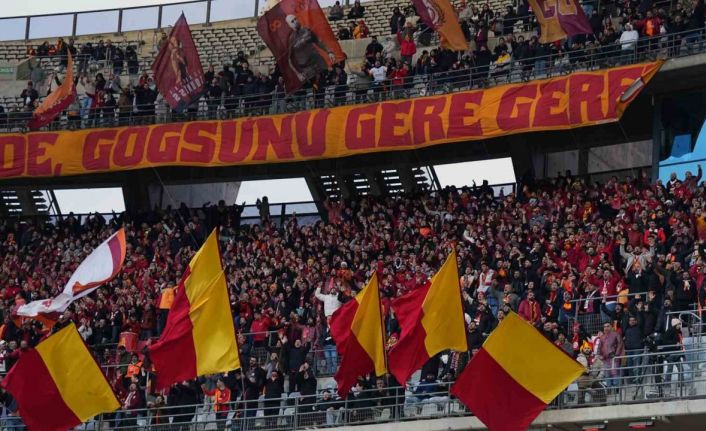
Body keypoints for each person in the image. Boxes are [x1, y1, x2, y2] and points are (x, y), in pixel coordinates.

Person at [285, 14, 336, 83]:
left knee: (327, 82)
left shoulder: (306, 30)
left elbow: (318, 41)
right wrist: (297, 74)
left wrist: (329, 52)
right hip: (307, 69)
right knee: (314, 86)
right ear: (289, 25)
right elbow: (289, 59)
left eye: (295, 19)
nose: (295, 22)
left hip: (319, 62)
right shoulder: (291, 39)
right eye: (292, 21)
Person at [598, 322, 624, 389]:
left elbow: (620, 344)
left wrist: (616, 354)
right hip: (605, 358)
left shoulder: (616, 334)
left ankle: (616, 388)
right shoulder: (602, 337)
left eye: (607, 326)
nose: (606, 328)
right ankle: (609, 388)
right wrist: (599, 355)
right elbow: (599, 347)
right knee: (607, 373)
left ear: (611, 327)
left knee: (615, 373)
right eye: (605, 327)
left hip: (614, 358)